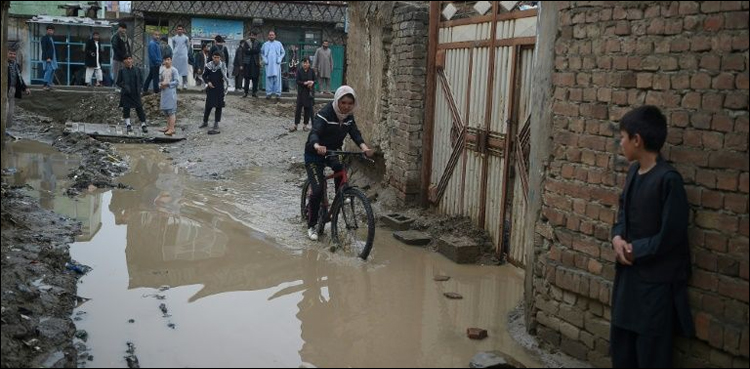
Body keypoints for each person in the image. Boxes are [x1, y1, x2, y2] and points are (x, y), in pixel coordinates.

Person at [610, 105, 693, 368]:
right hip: (628, 283)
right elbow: (623, 212)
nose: (620, 142)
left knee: (651, 356)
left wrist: (636, 250)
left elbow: (671, 237)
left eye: (623, 136)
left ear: (637, 140)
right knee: (623, 354)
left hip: (655, 289)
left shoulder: (669, 181)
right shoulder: (634, 172)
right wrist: (617, 237)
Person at [304, 86, 373, 241]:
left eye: (350, 103)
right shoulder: (325, 114)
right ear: (337, 101)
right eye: (343, 102)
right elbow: (315, 132)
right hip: (315, 153)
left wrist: (364, 148)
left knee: (339, 168)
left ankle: (340, 195)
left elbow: (354, 133)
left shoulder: (348, 117)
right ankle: (312, 225)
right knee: (316, 191)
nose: (347, 106)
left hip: (333, 151)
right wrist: (316, 145)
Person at [116, 55, 148, 134]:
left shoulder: (137, 70)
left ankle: (143, 125)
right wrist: (124, 86)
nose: (128, 61)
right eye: (127, 59)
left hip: (136, 93)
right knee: (126, 109)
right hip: (126, 93)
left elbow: (141, 80)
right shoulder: (122, 71)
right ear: (124, 61)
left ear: (132, 60)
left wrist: (140, 88)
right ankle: (128, 125)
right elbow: (118, 82)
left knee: (139, 108)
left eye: (130, 59)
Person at [200, 52, 229, 134]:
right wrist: (208, 82)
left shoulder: (222, 66)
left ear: (220, 58)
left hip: (219, 89)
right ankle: (205, 122)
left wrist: (225, 87)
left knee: (218, 106)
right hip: (211, 88)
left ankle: (216, 123)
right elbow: (204, 76)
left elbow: (226, 77)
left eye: (218, 57)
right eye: (215, 57)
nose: (216, 59)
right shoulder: (208, 65)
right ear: (212, 57)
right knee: (208, 106)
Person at [6, 48, 30, 129]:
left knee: (10, 111)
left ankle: (7, 129)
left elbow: (20, 78)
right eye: (10, 54)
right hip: (3, 90)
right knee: (4, 110)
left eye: (14, 54)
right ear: (6, 54)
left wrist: (25, 88)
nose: (12, 56)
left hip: (12, 89)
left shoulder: (16, 65)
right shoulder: (3, 64)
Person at [290, 57, 316, 132]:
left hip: (309, 93)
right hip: (301, 92)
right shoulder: (299, 71)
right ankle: (296, 125)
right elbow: (297, 81)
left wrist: (312, 83)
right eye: (304, 63)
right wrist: (304, 83)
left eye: (307, 63)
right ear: (302, 63)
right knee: (298, 109)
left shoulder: (311, 71)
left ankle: (305, 125)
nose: (305, 64)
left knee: (307, 109)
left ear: (309, 64)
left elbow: (315, 80)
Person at [261, 30, 285, 101]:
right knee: (269, 79)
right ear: (268, 36)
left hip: (276, 64)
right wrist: (265, 59)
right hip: (268, 65)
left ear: (275, 36)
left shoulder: (279, 43)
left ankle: (278, 94)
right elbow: (262, 53)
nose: (271, 36)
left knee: (277, 79)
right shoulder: (265, 44)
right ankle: (268, 93)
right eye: (270, 35)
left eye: (272, 35)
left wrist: (280, 58)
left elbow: (283, 52)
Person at [159, 56, 179, 136]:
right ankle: (168, 127)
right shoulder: (162, 70)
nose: (167, 61)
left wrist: (168, 84)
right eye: (165, 60)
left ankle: (172, 128)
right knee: (166, 111)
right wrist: (160, 85)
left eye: (168, 59)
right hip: (164, 93)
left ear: (171, 60)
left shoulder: (174, 70)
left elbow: (177, 82)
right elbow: (160, 80)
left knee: (171, 111)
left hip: (171, 93)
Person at [111, 23, 131, 89]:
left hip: (124, 59)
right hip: (117, 59)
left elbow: (127, 47)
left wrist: (129, 56)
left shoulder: (125, 36)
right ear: (119, 28)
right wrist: (123, 56)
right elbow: (115, 48)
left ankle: (122, 87)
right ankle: (116, 87)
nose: (124, 30)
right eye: (122, 28)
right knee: (117, 74)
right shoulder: (116, 36)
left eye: (125, 28)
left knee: (124, 74)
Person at [171, 25, 190, 90]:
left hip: (183, 56)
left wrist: (185, 53)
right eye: (178, 29)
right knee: (175, 70)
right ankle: (175, 83)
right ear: (176, 30)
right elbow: (173, 46)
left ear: (183, 30)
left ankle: (184, 84)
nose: (179, 30)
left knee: (184, 70)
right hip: (176, 56)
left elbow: (188, 46)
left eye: (181, 29)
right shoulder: (174, 38)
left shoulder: (186, 38)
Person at [244, 30, 262, 98]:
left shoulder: (258, 43)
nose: (252, 36)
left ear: (256, 36)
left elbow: (258, 51)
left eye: (254, 35)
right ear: (249, 35)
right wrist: (252, 50)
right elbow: (246, 51)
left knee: (255, 79)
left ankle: (254, 93)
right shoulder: (246, 42)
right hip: (247, 63)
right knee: (247, 78)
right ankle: (245, 92)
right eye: (251, 35)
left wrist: (250, 50)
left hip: (255, 63)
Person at [40, 25, 57, 91]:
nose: (51, 31)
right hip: (47, 58)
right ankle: (45, 85)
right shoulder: (44, 38)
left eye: (52, 30)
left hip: (53, 58)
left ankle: (49, 84)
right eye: (49, 30)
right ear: (47, 30)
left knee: (53, 70)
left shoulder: (51, 38)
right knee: (49, 70)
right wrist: (47, 57)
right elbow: (44, 49)